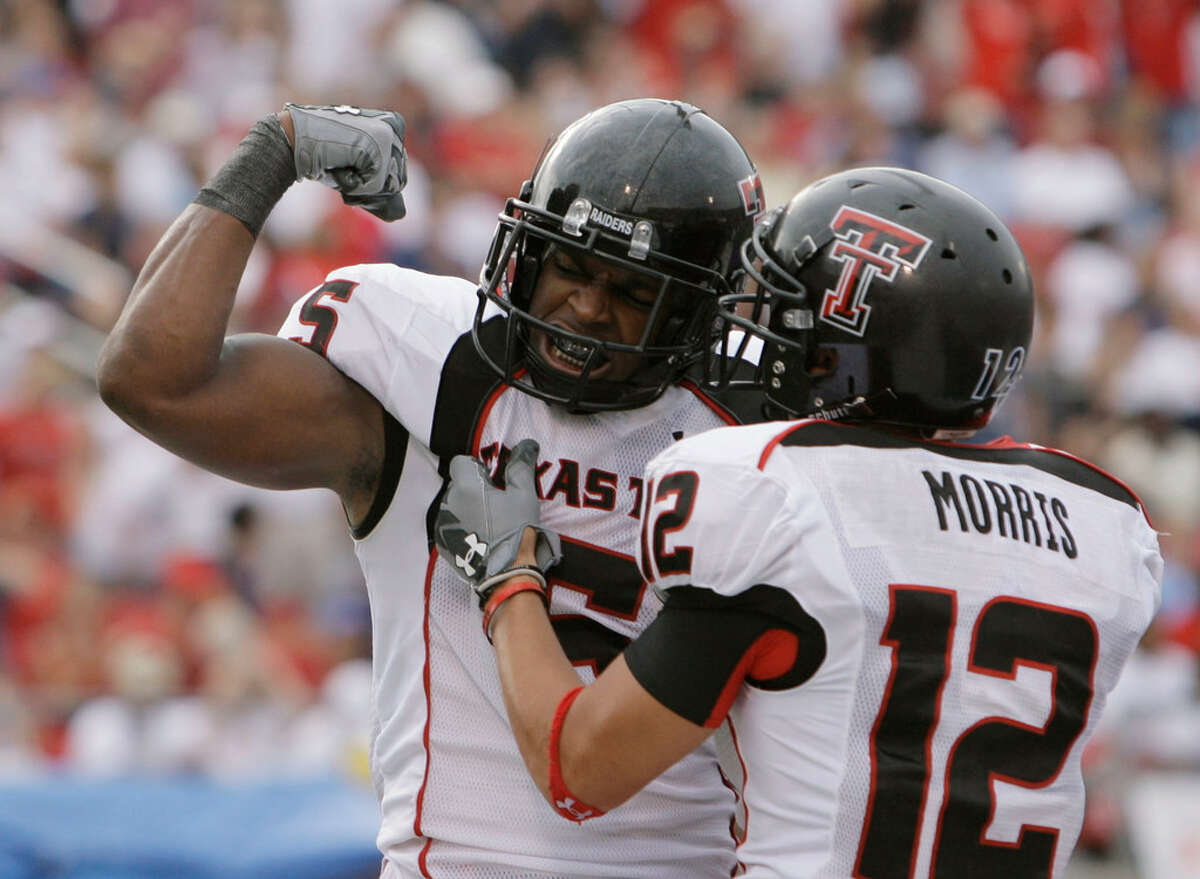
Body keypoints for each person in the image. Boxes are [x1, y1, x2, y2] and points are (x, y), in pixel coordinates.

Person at [97, 98, 766, 877]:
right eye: (572, 269)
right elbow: (152, 381)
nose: (585, 307)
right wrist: (270, 155)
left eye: (631, 293)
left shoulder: (754, 434)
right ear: (526, 247)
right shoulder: (438, 372)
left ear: (696, 311)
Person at [433, 167, 1164, 878]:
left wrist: (510, 577)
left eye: (786, 314)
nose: (756, 332)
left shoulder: (777, 494)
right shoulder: (1098, 518)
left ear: (846, 356)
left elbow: (579, 768)